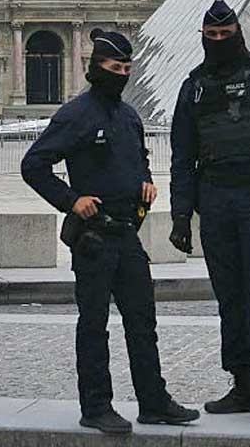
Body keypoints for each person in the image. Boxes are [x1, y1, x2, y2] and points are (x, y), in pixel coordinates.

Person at [21, 30, 198, 435]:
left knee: (143, 321)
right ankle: (96, 405)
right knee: (94, 323)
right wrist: (70, 200)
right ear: (95, 68)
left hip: (126, 234)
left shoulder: (129, 115)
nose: (121, 74)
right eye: (114, 68)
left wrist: (146, 181)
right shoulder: (75, 114)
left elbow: (139, 158)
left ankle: (153, 401)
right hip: (94, 237)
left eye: (126, 68)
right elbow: (33, 165)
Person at [167, 0, 250, 423]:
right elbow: (181, 155)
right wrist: (180, 215)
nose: (220, 42)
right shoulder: (194, 87)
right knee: (228, 296)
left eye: (226, 35)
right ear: (204, 37)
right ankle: (241, 382)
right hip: (216, 200)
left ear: (239, 33)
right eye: (213, 36)